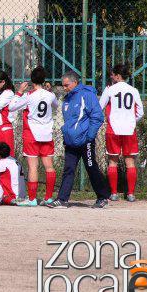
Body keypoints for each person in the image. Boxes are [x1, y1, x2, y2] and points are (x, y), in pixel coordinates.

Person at [48, 71, 111, 209]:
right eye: (62, 85)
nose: (64, 88)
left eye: (66, 85)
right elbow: (70, 120)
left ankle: (103, 197)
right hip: (71, 141)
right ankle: (62, 199)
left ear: (75, 82)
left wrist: (89, 136)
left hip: (85, 140)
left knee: (91, 167)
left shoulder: (87, 95)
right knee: (68, 169)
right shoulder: (67, 98)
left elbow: (97, 117)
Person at [9, 66, 58, 206]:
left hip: (31, 134)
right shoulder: (50, 95)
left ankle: (32, 199)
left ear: (31, 80)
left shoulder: (28, 96)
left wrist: (19, 92)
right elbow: (55, 105)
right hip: (47, 134)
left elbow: (12, 107)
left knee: (33, 167)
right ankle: (48, 197)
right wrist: (49, 91)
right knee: (49, 166)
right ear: (44, 80)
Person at [99, 64, 144, 202]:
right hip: (129, 130)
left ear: (118, 76)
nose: (111, 77)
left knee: (113, 162)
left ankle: (113, 193)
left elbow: (99, 106)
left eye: (113, 74)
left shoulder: (110, 90)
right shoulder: (134, 90)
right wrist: (131, 120)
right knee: (130, 162)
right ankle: (130, 194)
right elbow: (140, 112)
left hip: (113, 130)